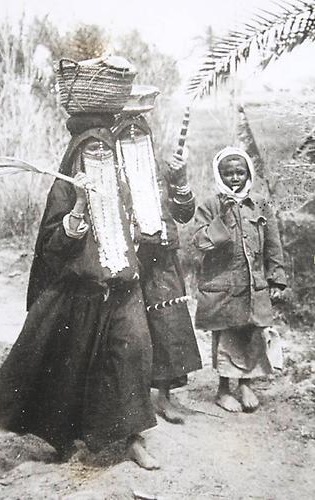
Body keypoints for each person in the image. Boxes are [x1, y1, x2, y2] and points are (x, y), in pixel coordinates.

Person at [0, 112, 159, 470]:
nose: (100, 157)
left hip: (124, 291)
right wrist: (77, 208)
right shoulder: (64, 189)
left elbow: (146, 223)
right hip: (82, 293)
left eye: (105, 151)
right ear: (78, 157)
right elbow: (51, 248)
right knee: (72, 368)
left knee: (133, 357)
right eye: (91, 152)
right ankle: (63, 441)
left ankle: (135, 440)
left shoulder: (124, 184)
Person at [113, 89, 202, 424]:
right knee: (131, 332)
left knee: (168, 325)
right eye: (126, 129)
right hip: (127, 258)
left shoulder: (160, 169)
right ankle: (134, 402)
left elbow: (183, 213)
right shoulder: (111, 169)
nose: (134, 133)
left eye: (139, 128)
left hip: (162, 257)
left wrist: (180, 181)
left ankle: (164, 397)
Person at [193, 146, 287, 412]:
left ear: (248, 174)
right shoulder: (210, 205)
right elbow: (200, 242)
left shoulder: (261, 204)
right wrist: (222, 217)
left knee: (252, 333)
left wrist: (276, 277)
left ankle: (246, 384)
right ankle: (224, 388)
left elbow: (272, 243)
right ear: (219, 175)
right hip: (223, 285)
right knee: (226, 335)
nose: (234, 178)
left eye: (239, 172)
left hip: (253, 283)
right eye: (228, 173)